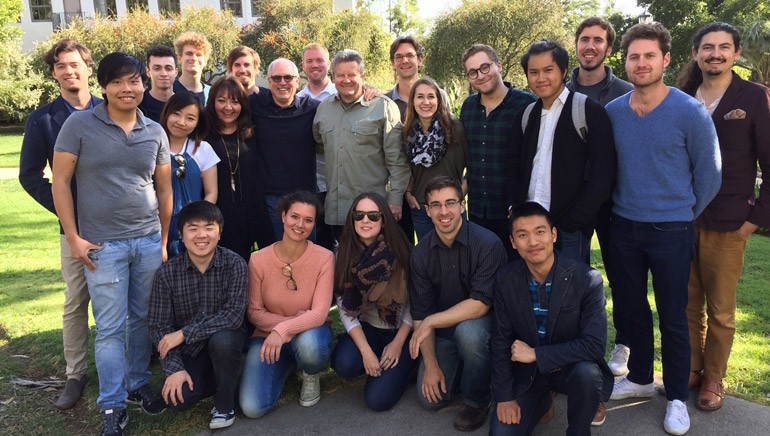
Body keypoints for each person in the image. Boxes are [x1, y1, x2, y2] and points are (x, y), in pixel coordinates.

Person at [605, 23, 721, 436]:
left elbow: (710, 175)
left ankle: (674, 396)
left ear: (666, 60)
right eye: (634, 56)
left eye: (649, 56)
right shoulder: (614, 112)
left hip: (672, 230)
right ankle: (638, 377)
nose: (641, 63)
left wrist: (683, 213)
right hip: (623, 228)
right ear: (626, 61)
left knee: (674, 315)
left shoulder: (689, 112)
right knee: (632, 310)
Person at [52, 52, 172, 436]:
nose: (127, 88)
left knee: (142, 320)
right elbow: (60, 182)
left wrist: (164, 239)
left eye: (133, 81)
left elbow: (164, 188)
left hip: (148, 241)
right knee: (108, 328)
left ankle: (137, 384)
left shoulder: (154, 130)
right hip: (102, 247)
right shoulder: (79, 124)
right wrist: (73, 237)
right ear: (104, 86)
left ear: (142, 83)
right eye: (117, 82)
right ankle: (112, 405)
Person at [677, 22, 770, 412]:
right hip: (681, 219)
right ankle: (693, 370)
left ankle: (714, 377)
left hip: (730, 221)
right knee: (685, 303)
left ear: (736, 54)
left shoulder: (753, 97)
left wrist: (754, 221)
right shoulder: (680, 97)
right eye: (708, 47)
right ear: (696, 53)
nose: (715, 53)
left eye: (724, 47)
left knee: (721, 310)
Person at [19, 38, 101, 411]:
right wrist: (65, 211)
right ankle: (75, 373)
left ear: (88, 68)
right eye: (62, 66)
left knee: (120, 301)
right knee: (75, 302)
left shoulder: (111, 108)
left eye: (75, 64)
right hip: (75, 230)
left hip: (118, 223)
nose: (70, 71)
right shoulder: (44, 119)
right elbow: (30, 175)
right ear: (54, 73)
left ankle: (130, 368)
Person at [490, 202, 613, 435]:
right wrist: (504, 397)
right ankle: (542, 401)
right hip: (527, 375)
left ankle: (578, 430)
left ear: (553, 234)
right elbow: (499, 340)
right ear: (513, 243)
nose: (533, 242)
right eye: (523, 235)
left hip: (570, 370)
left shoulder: (587, 279)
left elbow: (595, 345)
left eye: (540, 232)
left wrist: (536, 354)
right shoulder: (506, 279)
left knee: (588, 373)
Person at [408, 176, 507, 431]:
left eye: (450, 203)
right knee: (430, 400)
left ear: (462, 205)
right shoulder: (420, 254)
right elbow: (420, 312)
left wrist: (430, 322)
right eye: (436, 205)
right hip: (445, 331)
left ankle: (478, 400)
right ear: (427, 211)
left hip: (485, 327)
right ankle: (469, 369)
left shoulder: (487, 243)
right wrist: (430, 364)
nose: (444, 212)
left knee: (469, 333)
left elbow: (480, 305)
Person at [567, 16, 634, 378]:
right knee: (574, 276)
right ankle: (577, 345)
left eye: (598, 40)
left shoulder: (626, 91)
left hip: (615, 203)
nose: (590, 46)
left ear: (609, 48)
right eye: (584, 39)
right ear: (576, 45)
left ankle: (623, 343)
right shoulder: (558, 91)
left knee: (621, 276)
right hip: (571, 205)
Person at [148, 201, 246, 430]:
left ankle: (224, 404)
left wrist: (184, 333)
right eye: (193, 229)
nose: (201, 235)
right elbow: (158, 327)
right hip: (190, 351)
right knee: (179, 399)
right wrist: (173, 369)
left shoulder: (235, 264)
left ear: (219, 233)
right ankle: (227, 377)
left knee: (223, 340)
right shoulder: (167, 274)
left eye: (209, 227)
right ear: (181, 235)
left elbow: (233, 315)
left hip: (226, 342)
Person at [516, 40, 616, 264]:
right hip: (530, 225)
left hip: (570, 229)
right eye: (533, 72)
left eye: (548, 70)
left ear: (562, 71)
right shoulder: (526, 115)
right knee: (533, 292)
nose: (541, 78)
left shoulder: (588, 110)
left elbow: (603, 172)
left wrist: (576, 220)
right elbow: (516, 168)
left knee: (570, 293)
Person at [239, 191, 334, 418]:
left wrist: (282, 330)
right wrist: (286, 328)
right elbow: (254, 312)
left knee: (310, 346)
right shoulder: (258, 259)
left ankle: (310, 373)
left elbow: (320, 313)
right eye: (295, 216)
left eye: (308, 220)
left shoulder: (325, 257)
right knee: (252, 408)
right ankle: (290, 363)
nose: (300, 225)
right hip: (268, 336)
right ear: (283, 216)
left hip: (309, 333)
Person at [331, 192, 416, 411]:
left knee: (377, 401)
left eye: (373, 215)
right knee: (344, 363)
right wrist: (366, 352)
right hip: (369, 327)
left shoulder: (402, 251)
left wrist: (397, 345)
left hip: (403, 331)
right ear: (352, 219)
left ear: (384, 219)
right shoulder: (343, 254)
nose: (365, 220)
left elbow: (414, 305)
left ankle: (408, 365)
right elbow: (344, 309)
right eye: (359, 215)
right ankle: (378, 360)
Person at [313, 49, 410, 236]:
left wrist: (396, 199)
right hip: (337, 210)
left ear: (363, 76)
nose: (346, 80)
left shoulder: (383, 107)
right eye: (340, 75)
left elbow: (397, 160)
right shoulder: (323, 109)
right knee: (343, 262)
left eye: (352, 74)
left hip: (373, 211)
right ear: (333, 78)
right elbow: (320, 144)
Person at [459, 44, 537, 260]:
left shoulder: (528, 105)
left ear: (499, 66)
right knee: (483, 274)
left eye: (485, 67)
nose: (480, 76)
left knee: (518, 277)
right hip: (478, 213)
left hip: (515, 212)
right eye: (473, 72)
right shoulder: (468, 108)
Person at [204, 76, 274, 261]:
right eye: (221, 101)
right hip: (218, 214)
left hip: (253, 212)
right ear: (212, 102)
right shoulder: (202, 135)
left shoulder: (251, 133)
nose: (228, 107)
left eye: (235, 101)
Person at [251, 58, 320, 240]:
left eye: (288, 77)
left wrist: (369, 90)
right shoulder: (254, 105)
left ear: (298, 81)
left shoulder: (313, 108)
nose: (282, 83)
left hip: (305, 197)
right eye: (277, 78)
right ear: (269, 81)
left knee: (306, 254)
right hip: (269, 197)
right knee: (274, 255)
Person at [402, 76, 467, 240]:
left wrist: (459, 197)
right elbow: (407, 168)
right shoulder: (407, 133)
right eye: (420, 97)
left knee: (458, 257)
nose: (426, 102)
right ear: (412, 101)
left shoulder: (454, 128)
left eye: (431, 96)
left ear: (438, 100)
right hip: (421, 208)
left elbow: (472, 167)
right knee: (429, 258)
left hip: (451, 207)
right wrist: (409, 193)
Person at [159, 92, 219, 257]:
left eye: (190, 118)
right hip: (156, 226)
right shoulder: (152, 145)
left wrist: (198, 223)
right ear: (167, 113)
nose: (181, 122)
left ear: (198, 122)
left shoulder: (203, 149)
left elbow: (211, 192)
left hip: (192, 226)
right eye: (176, 114)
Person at [297, 43, 337, 251]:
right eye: (310, 61)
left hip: (338, 183)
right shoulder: (296, 100)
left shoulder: (343, 95)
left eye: (319, 60)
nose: (315, 65)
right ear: (303, 66)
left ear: (328, 64)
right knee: (314, 244)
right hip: (310, 184)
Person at [139, 45, 177, 122]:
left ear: (176, 72)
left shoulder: (184, 104)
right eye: (157, 68)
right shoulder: (138, 105)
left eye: (168, 68)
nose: (164, 73)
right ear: (148, 72)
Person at [173, 31, 211, 104]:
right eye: (189, 53)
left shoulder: (212, 94)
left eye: (198, 54)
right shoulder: (169, 91)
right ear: (180, 58)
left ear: (205, 61)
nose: (194, 58)